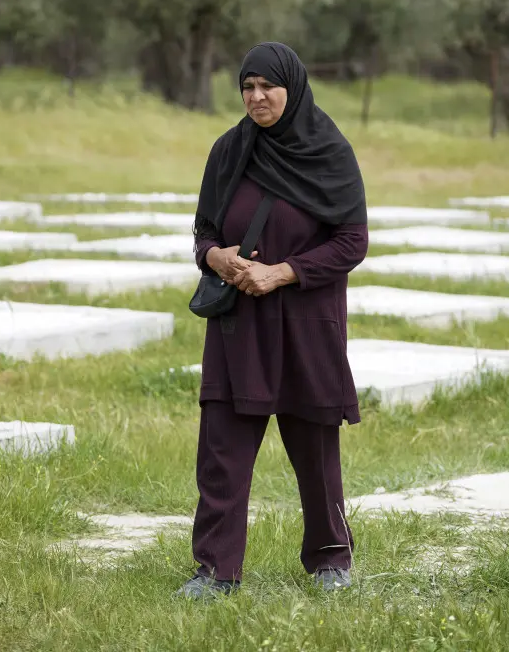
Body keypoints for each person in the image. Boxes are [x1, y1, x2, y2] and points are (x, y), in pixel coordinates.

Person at [179, 41, 369, 599]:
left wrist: (283, 272)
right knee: (222, 450)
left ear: (293, 87)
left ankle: (331, 558)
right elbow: (204, 234)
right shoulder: (228, 150)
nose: (256, 97)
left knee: (315, 448)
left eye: (267, 86)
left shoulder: (329, 152)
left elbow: (353, 242)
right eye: (247, 87)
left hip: (307, 323)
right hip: (239, 324)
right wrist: (217, 258)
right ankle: (215, 570)